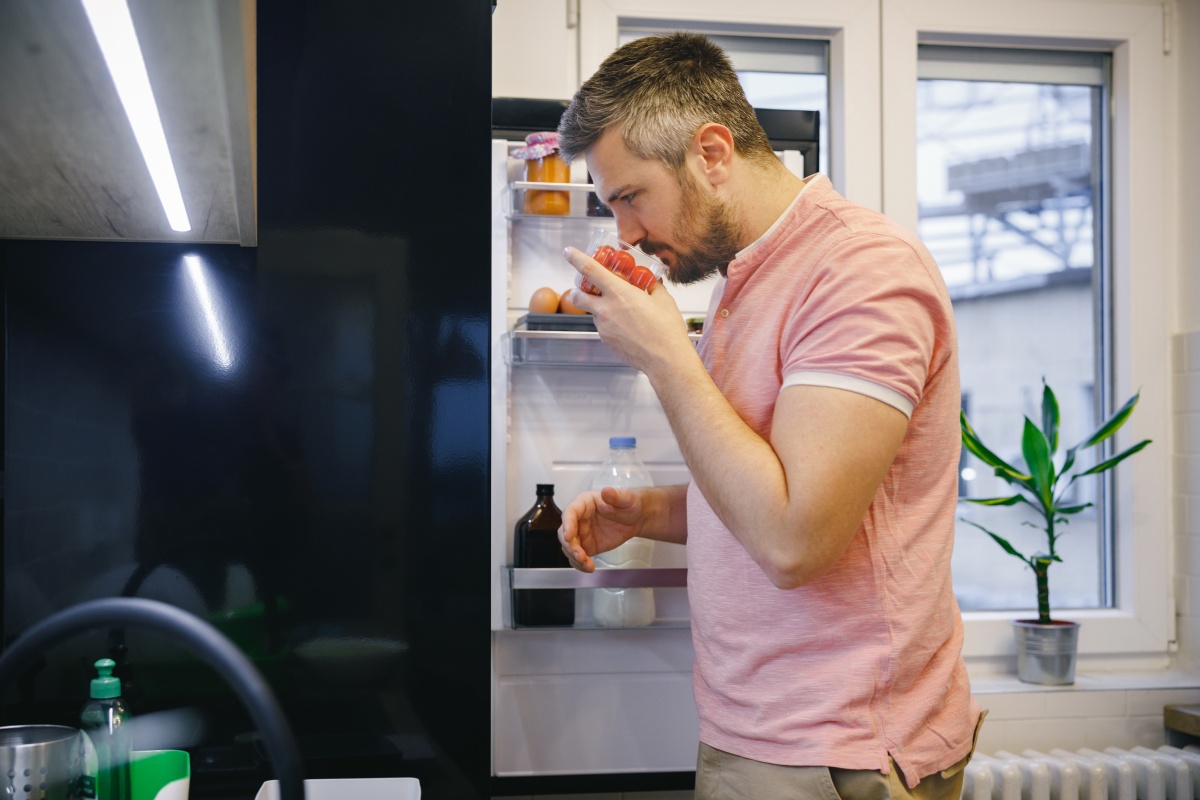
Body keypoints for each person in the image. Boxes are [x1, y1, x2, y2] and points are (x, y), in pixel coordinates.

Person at [553, 32, 984, 800]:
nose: (624, 232)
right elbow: (767, 489)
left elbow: (795, 542)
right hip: (761, 733)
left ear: (712, 153)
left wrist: (666, 358)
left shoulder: (860, 271)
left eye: (629, 196)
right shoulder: (742, 282)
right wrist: (651, 512)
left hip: (841, 753)